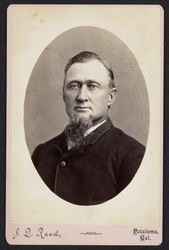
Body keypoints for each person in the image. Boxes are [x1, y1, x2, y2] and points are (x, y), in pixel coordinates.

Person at [32, 51, 145, 205]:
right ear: (63, 95)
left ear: (111, 97)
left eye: (92, 86)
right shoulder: (42, 153)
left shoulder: (133, 156)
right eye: (74, 86)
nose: (81, 97)